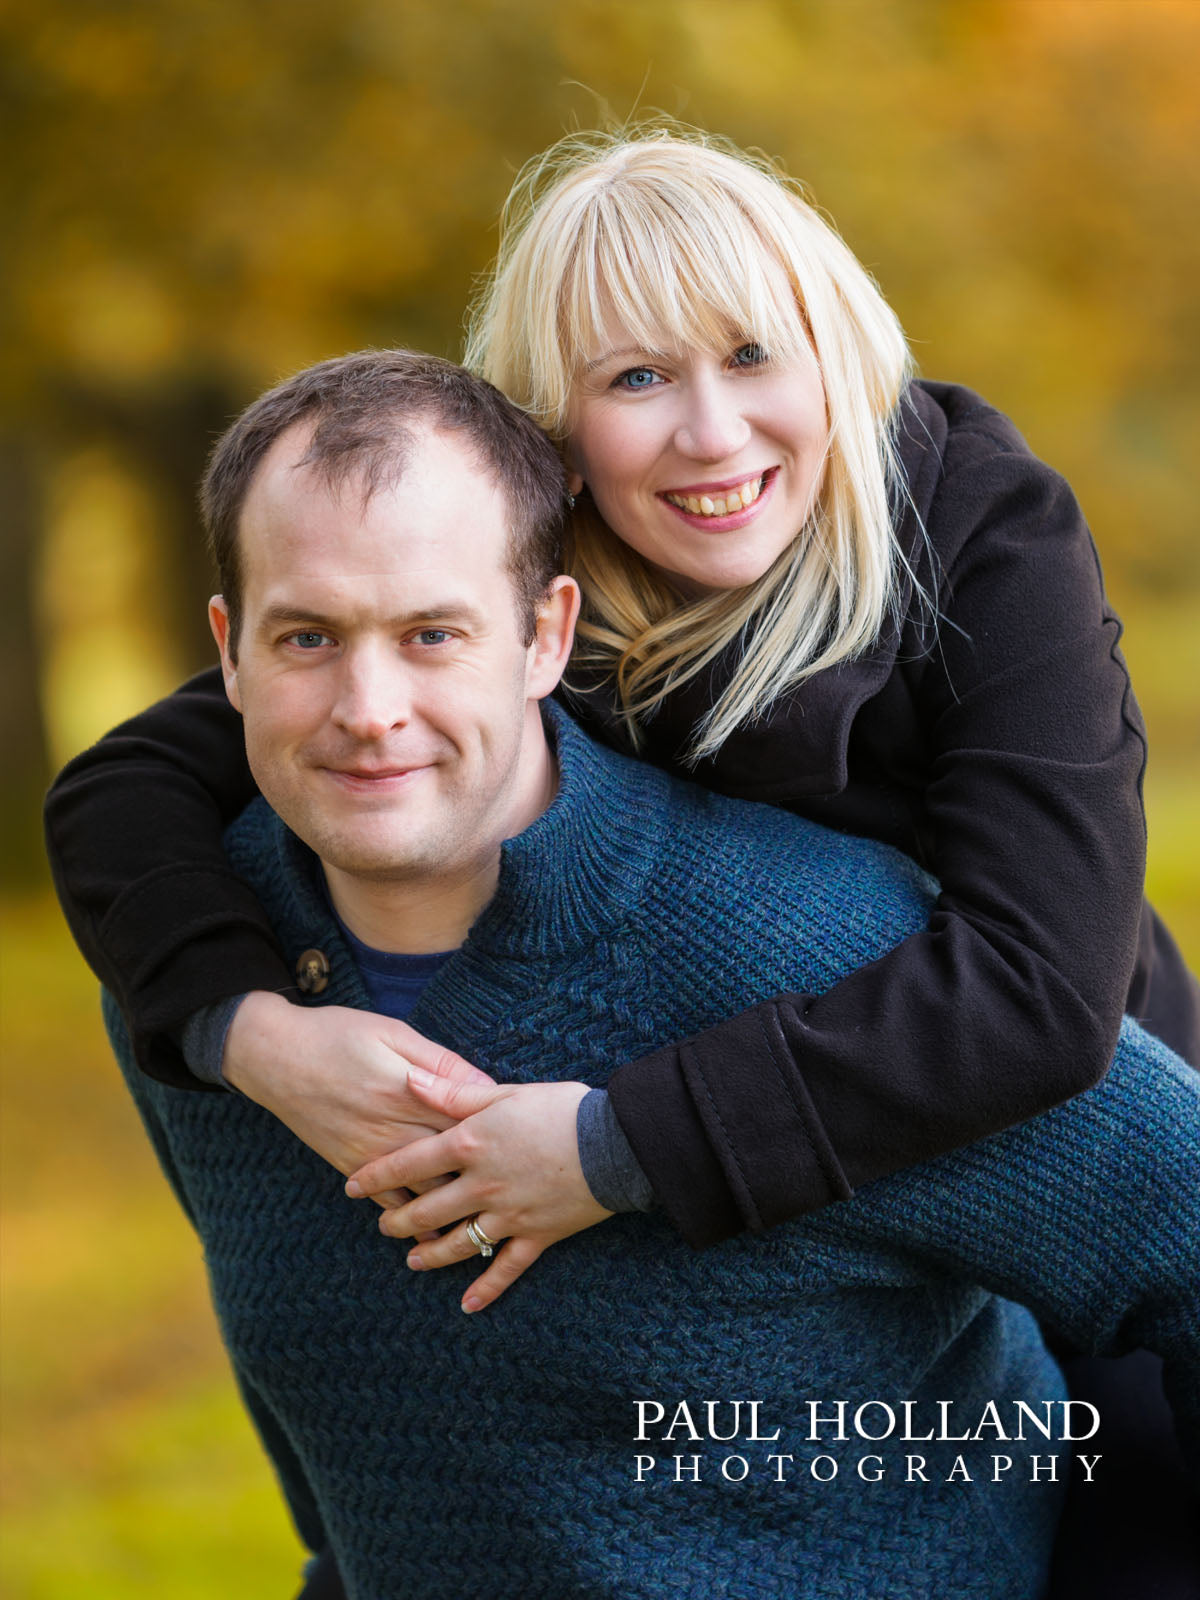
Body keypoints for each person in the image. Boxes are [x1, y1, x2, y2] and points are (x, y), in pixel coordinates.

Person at [46, 126, 1199, 1588]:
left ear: (839, 359)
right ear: (550, 441)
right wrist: (251, 1032)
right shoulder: (501, 595)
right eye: (637, 379)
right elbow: (131, 787)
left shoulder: (974, 529)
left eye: (754, 356)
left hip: (1070, 1095)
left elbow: (1040, 996)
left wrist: (615, 1146)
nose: (712, 433)